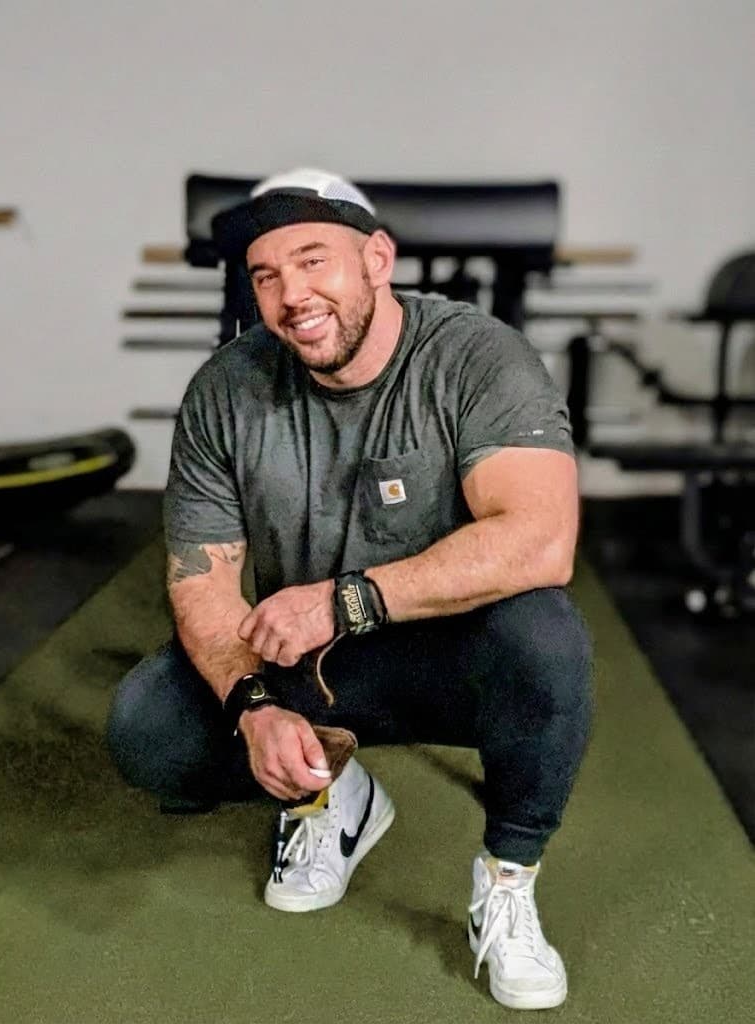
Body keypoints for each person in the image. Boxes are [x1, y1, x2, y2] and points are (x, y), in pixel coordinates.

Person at [107, 168, 592, 1011]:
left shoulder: (475, 357)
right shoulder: (226, 390)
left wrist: (342, 599)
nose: (292, 294)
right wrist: (254, 706)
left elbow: (540, 541)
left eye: (312, 260)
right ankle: (335, 796)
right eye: (265, 275)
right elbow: (202, 578)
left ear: (376, 258)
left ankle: (509, 879)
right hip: (315, 666)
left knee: (545, 640)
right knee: (148, 728)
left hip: (459, 655)